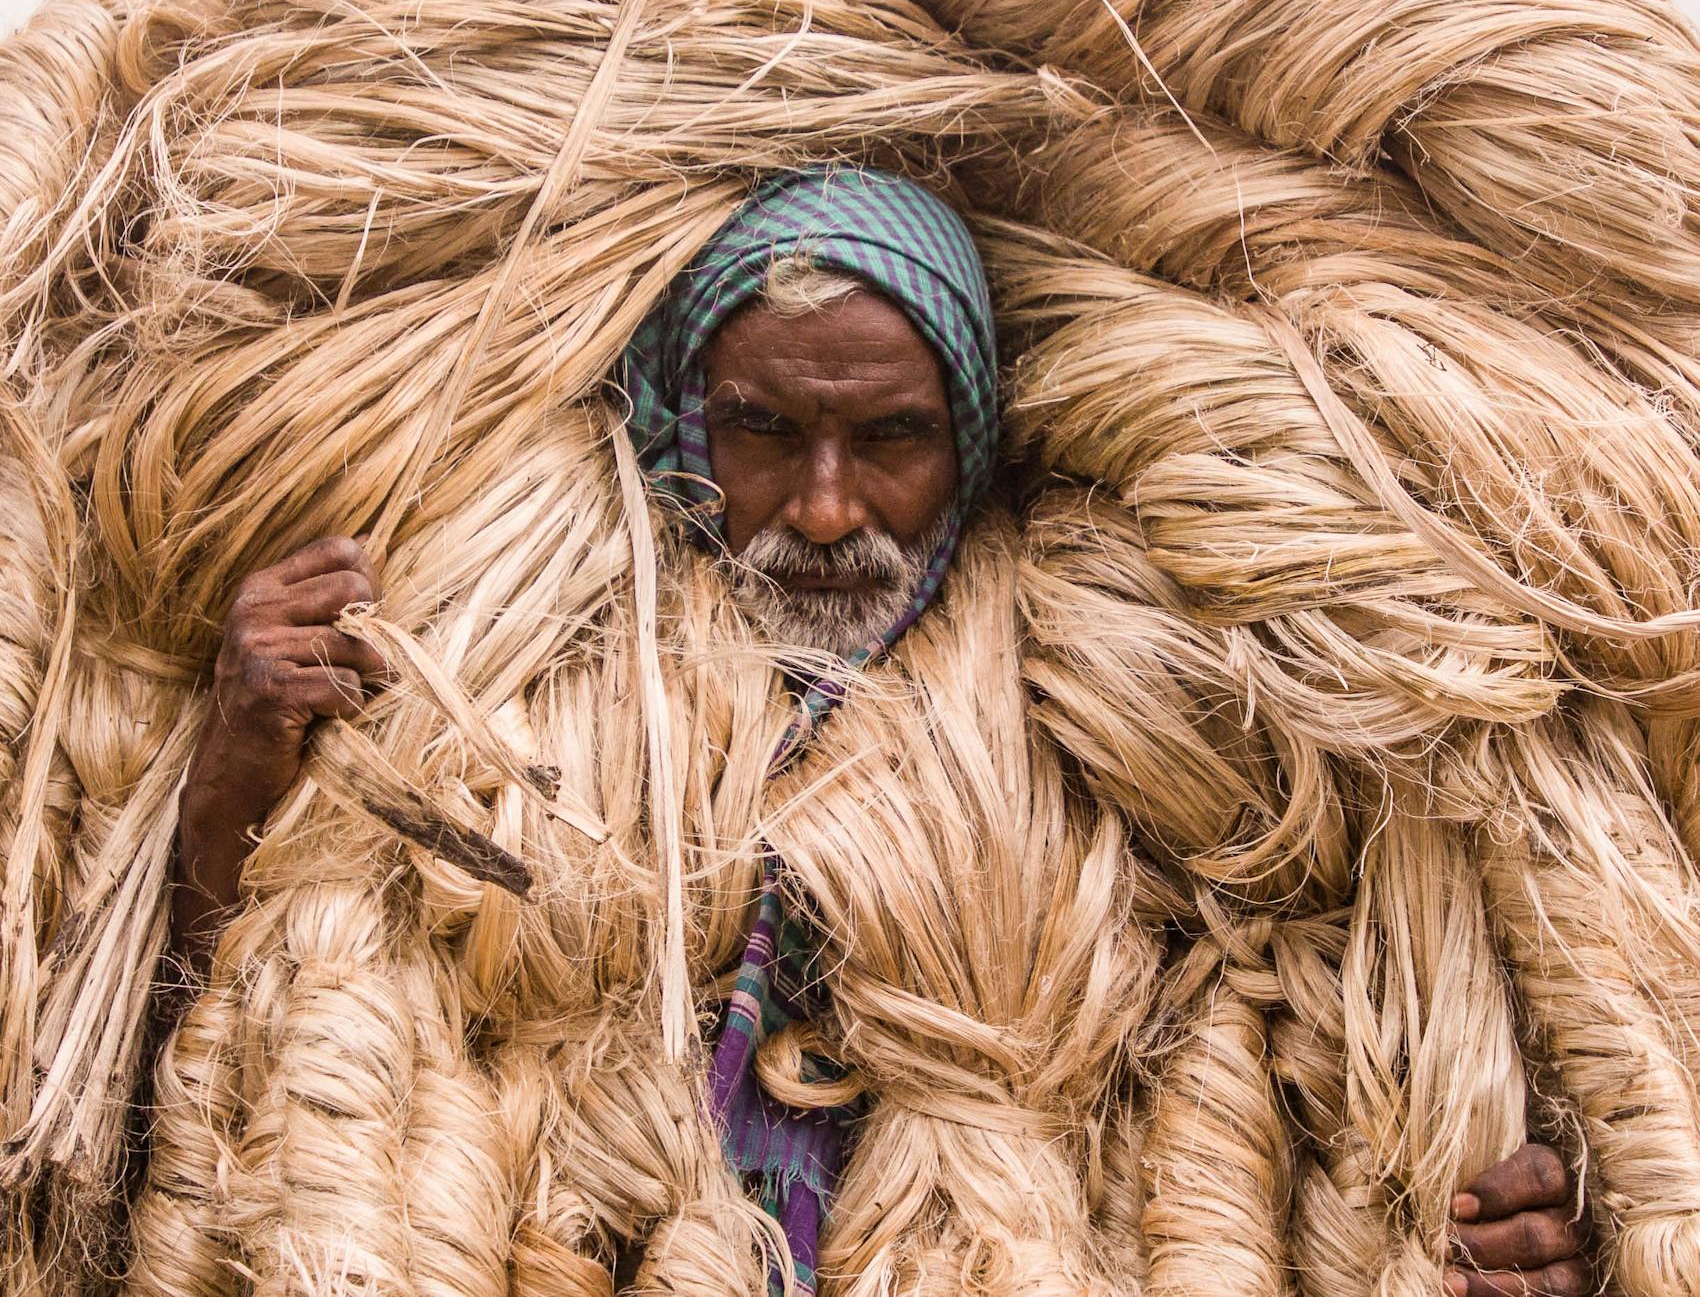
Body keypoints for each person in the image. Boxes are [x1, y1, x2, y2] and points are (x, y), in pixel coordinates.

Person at [169, 168, 1590, 1295]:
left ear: (970, 442)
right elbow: (280, 1021)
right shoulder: (531, 678)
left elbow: (1288, 1039)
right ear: (679, 421)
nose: (828, 508)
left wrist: (1457, 1223)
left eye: (892, 440)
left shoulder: (1103, 709)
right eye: (765, 431)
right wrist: (240, 753)